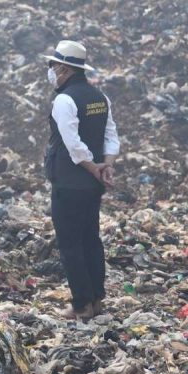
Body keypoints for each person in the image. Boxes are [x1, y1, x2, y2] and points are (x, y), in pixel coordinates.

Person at [43, 40, 120, 320]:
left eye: (52, 66)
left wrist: (93, 167)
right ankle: (97, 299)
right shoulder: (100, 98)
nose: (50, 71)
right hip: (93, 184)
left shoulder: (65, 100)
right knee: (91, 239)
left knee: (70, 244)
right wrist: (106, 167)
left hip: (69, 182)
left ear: (63, 69)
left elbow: (73, 144)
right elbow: (111, 136)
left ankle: (81, 305)